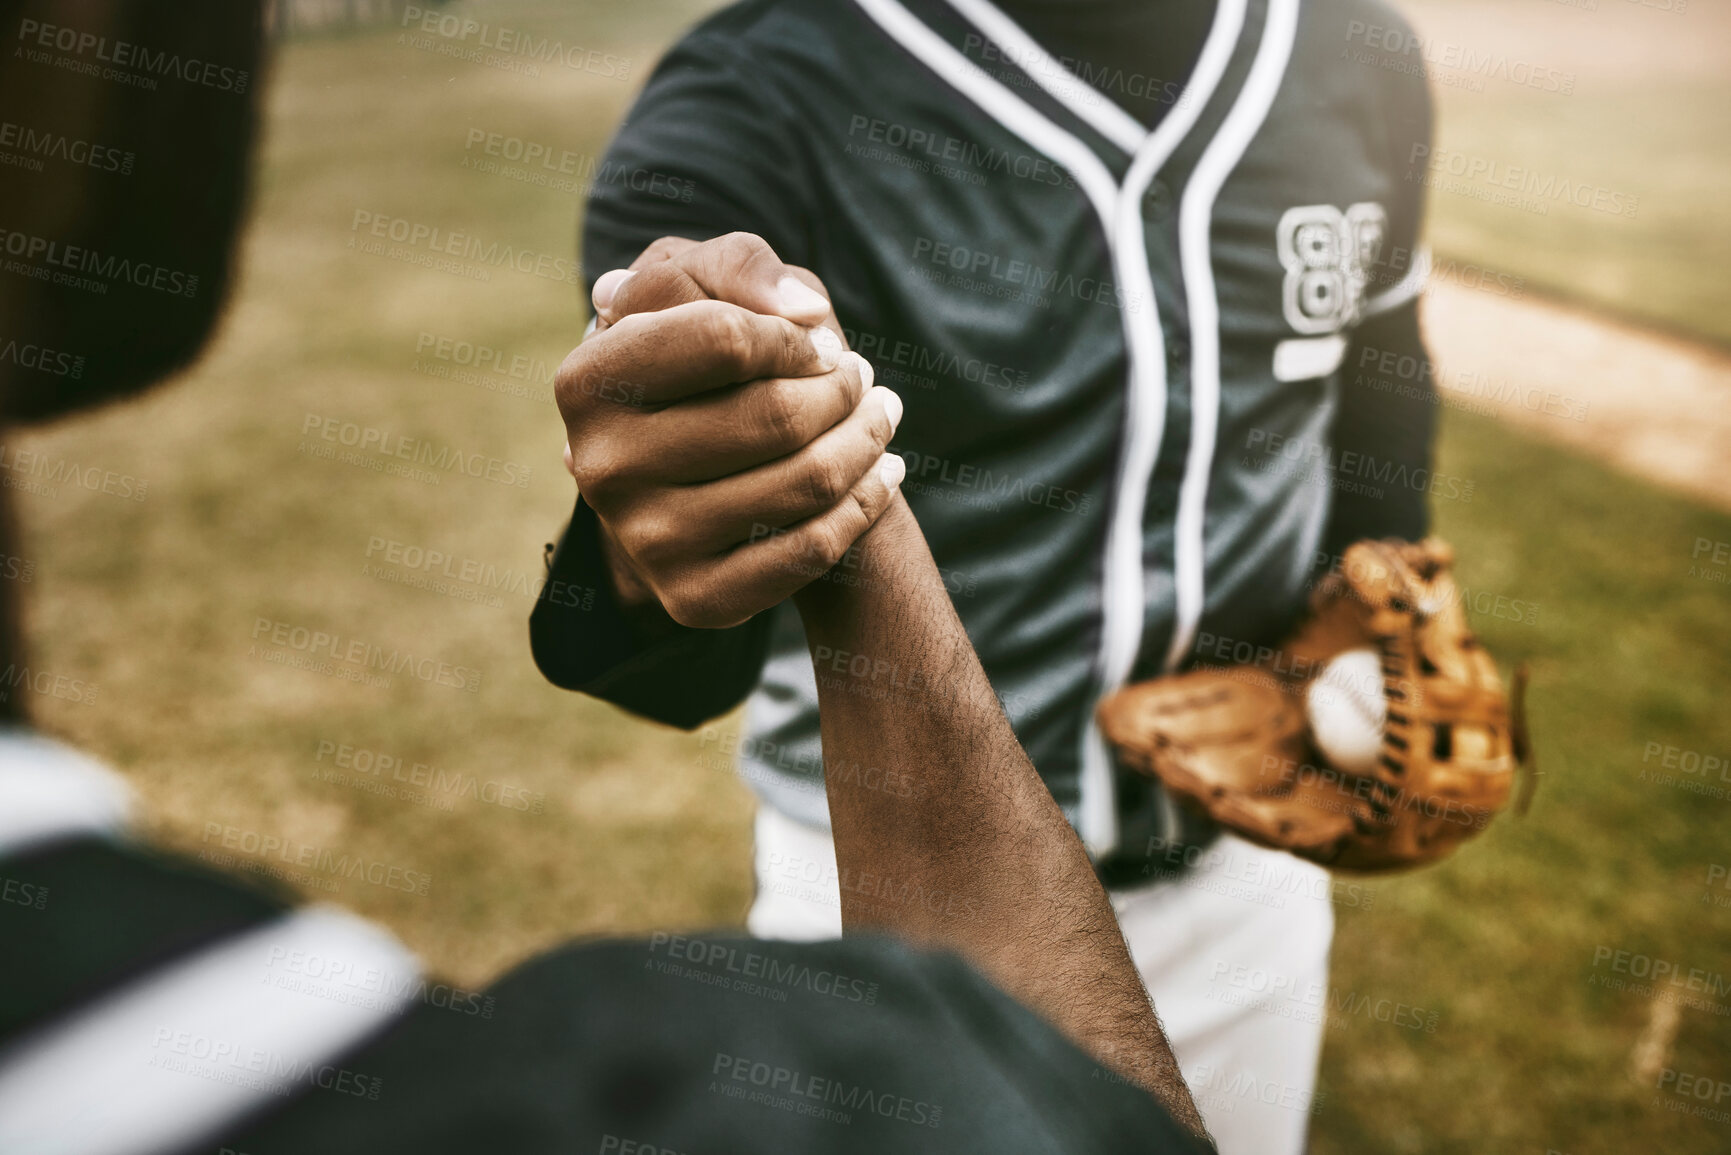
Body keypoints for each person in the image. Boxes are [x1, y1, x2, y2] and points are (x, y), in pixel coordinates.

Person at [0, 2, 1210, 1150]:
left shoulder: (1330, 48)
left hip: (1244, 867)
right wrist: (801, 492)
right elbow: (648, 643)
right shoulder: (750, 90)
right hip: (876, 865)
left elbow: (1353, 442)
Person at [532, 1, 1439, 1150]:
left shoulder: (1353, 48)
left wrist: (1383, 618)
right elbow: (665, 663)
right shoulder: (753, 89)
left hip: (1244, 877)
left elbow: (1381, 385)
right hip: (886, 888)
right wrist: (642, 541)